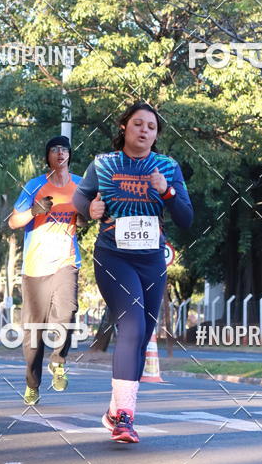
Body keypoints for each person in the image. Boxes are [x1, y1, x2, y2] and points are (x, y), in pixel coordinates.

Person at [73, 101, 193, 443]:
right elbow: (79, 199)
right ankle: (126, 417)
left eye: (151, 127)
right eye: (138, 123)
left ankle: (115, 410)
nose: (144, 130)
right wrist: (90, 208)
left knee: (141, 335)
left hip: (151, 259)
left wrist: (166, 191)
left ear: (156, 135)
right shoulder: (104, 164)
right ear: (124, 127)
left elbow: (186, 218)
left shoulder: (168, 167)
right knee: (132, 326)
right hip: (114, 256)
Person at [9, 135, 83, 405]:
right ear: (48, 157)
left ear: (69, 154)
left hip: (66, 262)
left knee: (68, 311)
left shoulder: (80, 185)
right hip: (35, 267)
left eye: (64, 149)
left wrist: (85, 217)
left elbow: (87, 215)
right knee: (34, 332)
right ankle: (32, 384)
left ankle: (58, 361)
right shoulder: (35, 186)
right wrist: (34, 210)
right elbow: (13, 221)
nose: (60, 153)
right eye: (54, 150)